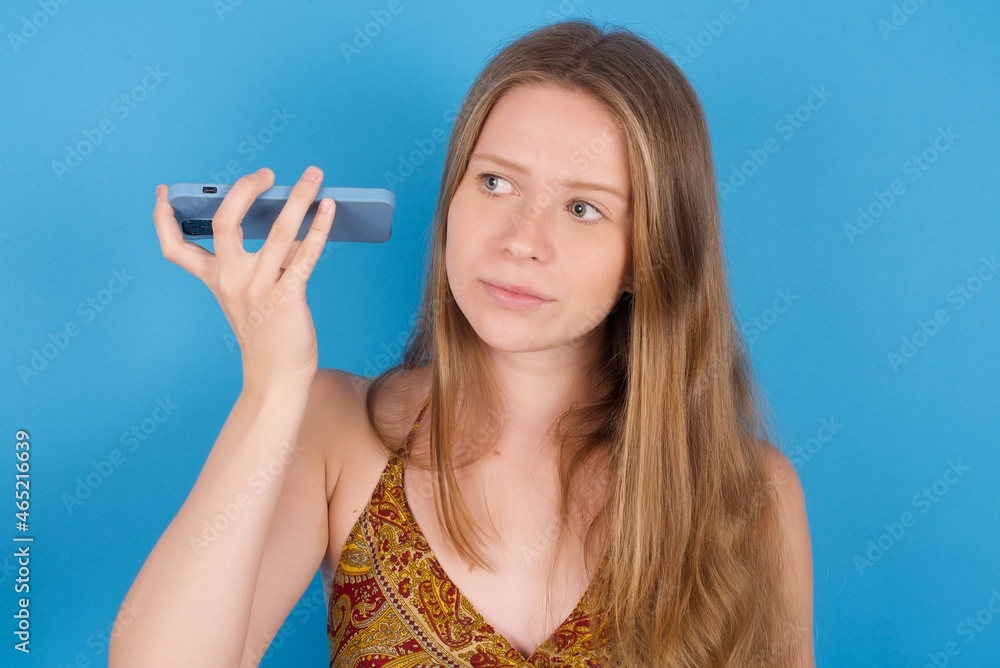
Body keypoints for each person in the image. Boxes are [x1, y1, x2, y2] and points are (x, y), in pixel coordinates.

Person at [110, 18, 814, 668]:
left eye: (581, 207)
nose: (520, 241)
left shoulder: (749, 495)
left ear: (647, 253)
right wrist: (272, 384)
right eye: (496, 181)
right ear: (452, 198)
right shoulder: (334, 429)